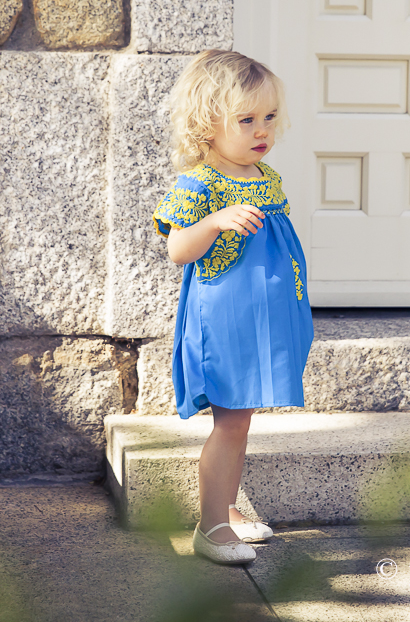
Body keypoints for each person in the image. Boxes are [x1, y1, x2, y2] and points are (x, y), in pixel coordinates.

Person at [152, 50, 314, 565]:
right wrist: (215, 222)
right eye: (246, 120)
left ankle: (225, 509)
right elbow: (179, 249)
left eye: (269, 117)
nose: (262, 130)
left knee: (241, 420)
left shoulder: (264, 174)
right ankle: (212, 528)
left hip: (262, 316)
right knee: (231, 422)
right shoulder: (200, 183)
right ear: (207, 124)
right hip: (225, 319)